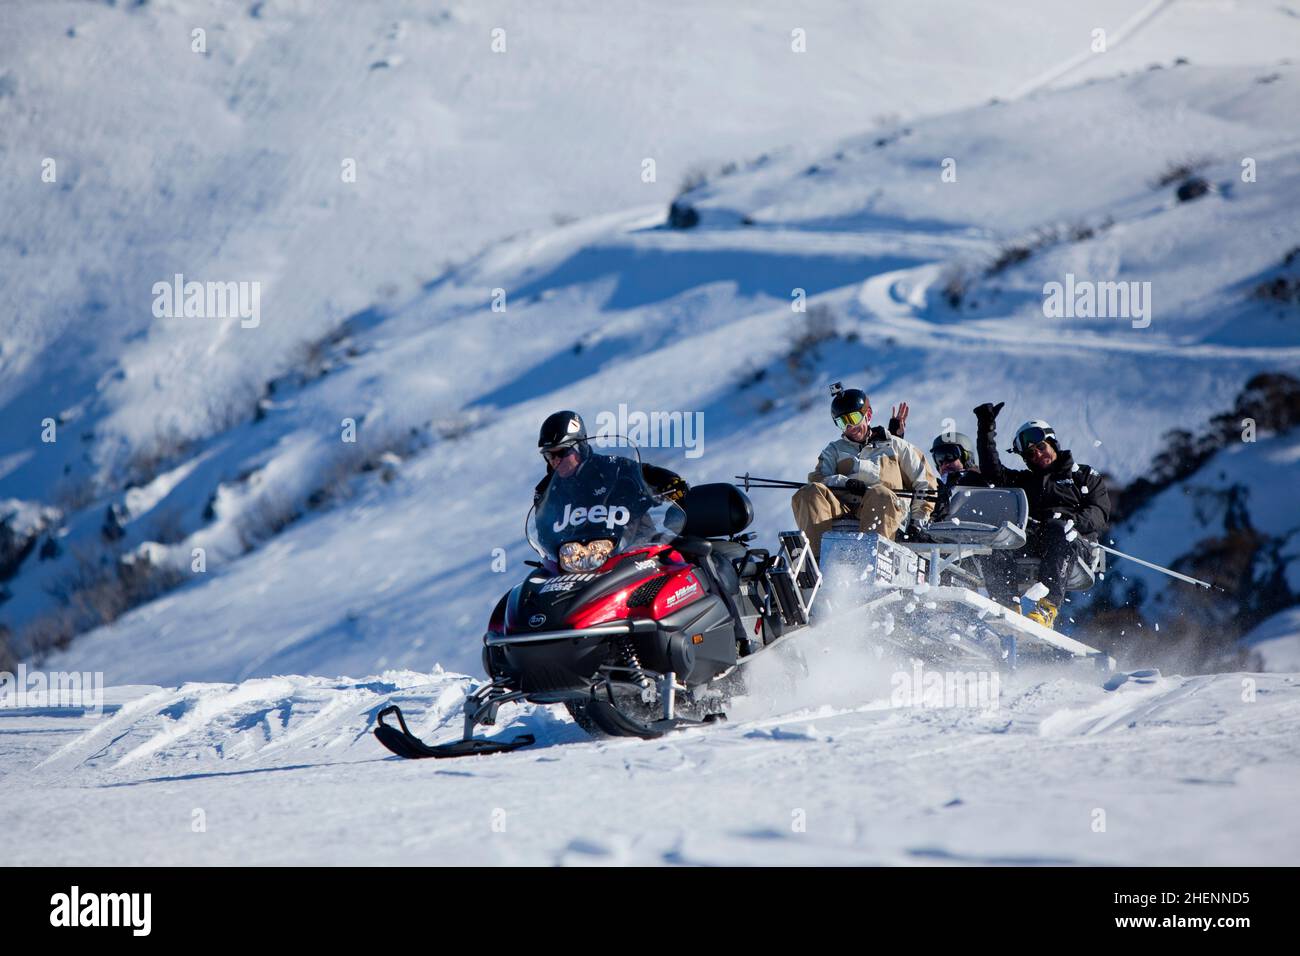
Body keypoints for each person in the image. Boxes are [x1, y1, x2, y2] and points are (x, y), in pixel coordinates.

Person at [972, 402, 1111, 629]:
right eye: (1029, 453)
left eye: (1040, 447)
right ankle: (1006, 606)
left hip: (1074, 543)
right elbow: (992, 474)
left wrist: (1072, 523)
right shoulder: (1026, 482)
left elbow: (1099, 512)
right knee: (999, 538)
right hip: (1036, 539)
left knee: (1060, 530)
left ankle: (1047, 607)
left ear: (1052, 443)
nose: (1037, 454)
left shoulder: (1083, 476)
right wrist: (985, 427)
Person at [791, 384, 934, 559]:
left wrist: (918, 523)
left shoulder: (895, 446)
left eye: (854, 417)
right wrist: (844, 483)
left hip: (884, 507)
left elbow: (925, 483)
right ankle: (816, 560)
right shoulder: (834, 450)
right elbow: (819, 480)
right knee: (809, 492)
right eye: (842, 422)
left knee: (879, 493)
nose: (850, 426)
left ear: (868, 415)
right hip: (844, 507)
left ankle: (870, 561)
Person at [533, 410, 688, 506]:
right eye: (549, 455)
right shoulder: (546, 490)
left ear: (579, 447)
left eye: (561, 452)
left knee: (676, 553)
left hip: (631, 542)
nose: (555, 460)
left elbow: (646, 472)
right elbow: (543, 533)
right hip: (577, 554)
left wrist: (671, 483)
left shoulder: (610, 467)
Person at [928, 431, 984, 521]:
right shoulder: (935, 488)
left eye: (949, 456)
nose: (944, 464)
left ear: (966, 457)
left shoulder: (981, 481)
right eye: (939, 458)